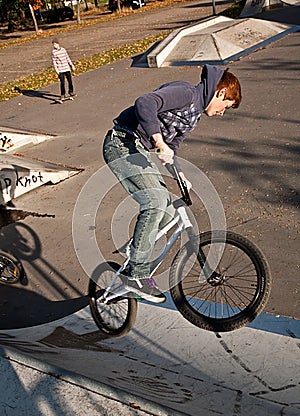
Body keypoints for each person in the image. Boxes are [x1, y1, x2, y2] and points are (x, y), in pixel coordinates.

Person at [103, 64, 241, 303]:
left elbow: (171, 149)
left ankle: (133, 252)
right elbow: (145, 102)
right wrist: (158, 140)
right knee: (155, 201)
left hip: (141, 152)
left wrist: (180, 175)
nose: (222, 113)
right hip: (122, 142)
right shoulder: (186, 93)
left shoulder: (194, 117)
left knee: (168, 213)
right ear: (220, 93)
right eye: (225, 107)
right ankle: (137, 274)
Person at [51, 38, 76, 103]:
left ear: (58, 44)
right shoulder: (54, 52)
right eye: (53, 45)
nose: (54, 46)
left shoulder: (63, 50)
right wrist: (56, 70)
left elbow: (67, 58)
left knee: (70, 81)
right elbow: (54, 62)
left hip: (67, 68)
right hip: (60, 70)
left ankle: (71, 91)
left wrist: (72, 65)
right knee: (62, 83)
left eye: (55, 44)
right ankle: (62, 95)